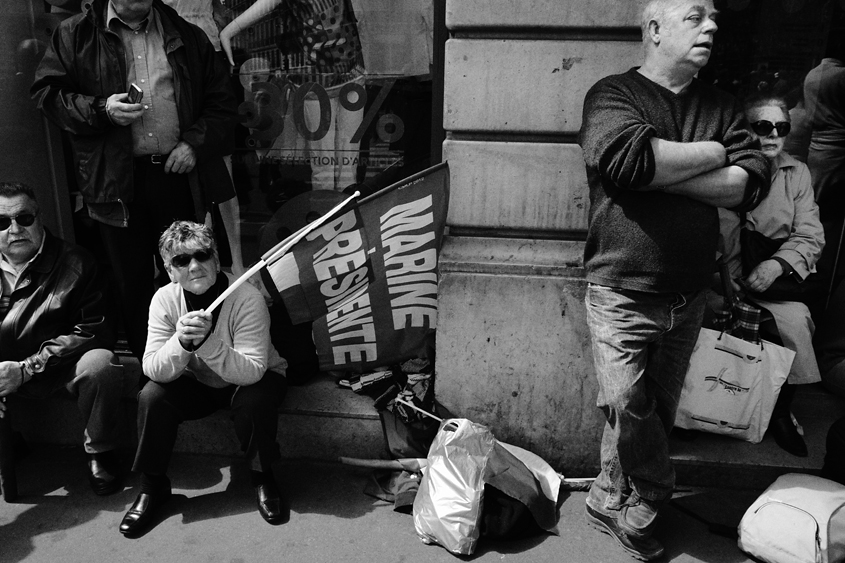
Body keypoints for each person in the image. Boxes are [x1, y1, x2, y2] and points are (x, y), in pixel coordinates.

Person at [578, 0, 769, 559]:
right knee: (624, 401)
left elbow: (749, 184)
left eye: (714, 18)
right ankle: (658, 488)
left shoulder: (723, 105)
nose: (711, 26)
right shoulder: (612, 95)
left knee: (655, 408)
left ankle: (608, 495)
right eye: (695, 16)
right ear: (655, 29)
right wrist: (712, 155)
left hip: (688, 290)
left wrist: (661, 170)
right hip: (620, 287)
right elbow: (627, 163)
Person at [30, 0, 239, 362]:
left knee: (189, 270)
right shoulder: (75, 34)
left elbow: (223, 103)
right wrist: (101, 109)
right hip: (113, 179)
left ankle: (199, 363)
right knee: (132, 281)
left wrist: (194, 143)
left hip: (177, 173)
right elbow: (47, 95)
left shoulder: (186, 34)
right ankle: (151, 368)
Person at [119, 221, 288, 536]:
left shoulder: (246, 297)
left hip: (251, 378)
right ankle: (152, 486)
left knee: (256, 402)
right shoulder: (164, 300)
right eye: (182, 261)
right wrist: (182, 343)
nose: (195, 266)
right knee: (152, 396)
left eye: (203, 255)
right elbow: (152, 367)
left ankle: (263, 477)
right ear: (169, 270)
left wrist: (207, 342)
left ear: (215, 257)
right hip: (199, 382)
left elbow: (252, 370)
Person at [716, 93, 825, 457]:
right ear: (745, 130)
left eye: (781, 127)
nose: (772, 134)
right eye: (762, 126)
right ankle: (698, 409)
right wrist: (716, 277)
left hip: (770, 283)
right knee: (697, 319)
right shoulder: (721, 171)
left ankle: (779, 412)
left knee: (797, 322)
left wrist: (776, 265)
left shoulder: (797, 173)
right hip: (718, 279)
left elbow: (810, 234)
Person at [0, 182, 123, 496]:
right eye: (2, 222)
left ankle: (100, 453)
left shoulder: (77, 263)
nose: (14, 229)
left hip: (58, 369)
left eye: (24, 218)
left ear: (39, 217)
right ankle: (9, 441)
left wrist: (28, 368)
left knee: (101, 365)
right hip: (2, 372)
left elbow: (94, 329)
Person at [219, 0, 366, 192]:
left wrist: (228, 32)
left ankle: (343, 214)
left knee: (346, 162)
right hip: (317, 79)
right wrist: (227, 32)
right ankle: (328, 216)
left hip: (349, 72)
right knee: (325, 163)